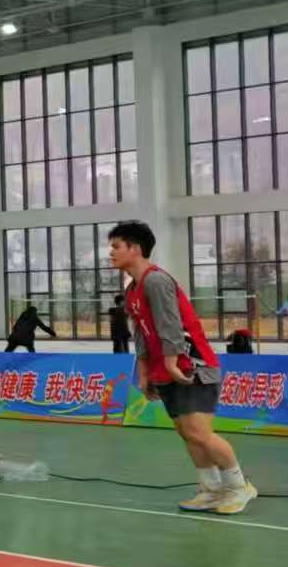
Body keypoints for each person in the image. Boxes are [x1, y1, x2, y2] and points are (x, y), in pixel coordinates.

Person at [109, 220, 254, 514]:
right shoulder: (132, 290)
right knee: (186, 433)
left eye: (116, 246)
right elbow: (141, 333)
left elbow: (170, 324)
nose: (110, 252)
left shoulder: (156, 280)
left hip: (192, 366)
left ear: (135, 249)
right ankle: (211, 489)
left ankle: (239, 487)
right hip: (166, 369)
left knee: (200, 433)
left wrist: (172, 362)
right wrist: (145, 371)